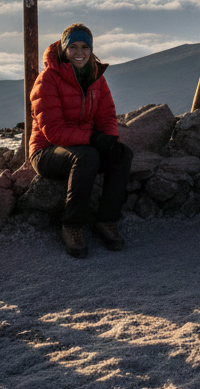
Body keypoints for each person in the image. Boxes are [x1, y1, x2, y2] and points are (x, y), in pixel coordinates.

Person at [29, 23, 133, 258]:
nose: (80, 52)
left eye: (85, 47)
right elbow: (52, 131)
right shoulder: (48, 79)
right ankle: (72, 226)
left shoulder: (97, 77)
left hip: (84, 145)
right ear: (64, 48)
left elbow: (106, 114)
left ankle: (106, 221)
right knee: (87, 156)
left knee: (122, 154)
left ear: (91, 49)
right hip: (47, 151)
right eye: (73, 46)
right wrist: (93, 138)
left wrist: (109, 140)